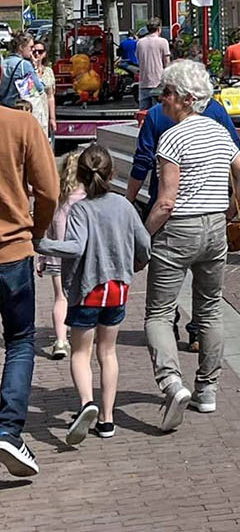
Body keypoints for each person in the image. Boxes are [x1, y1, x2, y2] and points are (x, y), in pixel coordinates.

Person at [143, 60, 240, 431]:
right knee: (209, 309)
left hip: (179, 229)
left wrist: (144, 235)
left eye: (168, 95)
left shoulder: (172, 137)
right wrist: (225, 210)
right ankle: (207, 389)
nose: (162, 102)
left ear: (186, 99)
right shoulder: (220, 132)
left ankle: (171, 381)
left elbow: (166, 200)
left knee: (159, 313)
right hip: (213, 228)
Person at [35, 145, 150, 445]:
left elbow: (76, 247)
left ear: (81, 176)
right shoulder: (125, 206)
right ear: (113, 173)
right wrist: (137, 261)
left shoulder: (81, 209)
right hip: (117, 289)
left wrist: (40, 245)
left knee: (81, 353)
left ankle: (87, 403)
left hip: (87, 289)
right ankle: (107, 419)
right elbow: (144, 243)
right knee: (108, 353)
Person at [0, 101, 58, 477]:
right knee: (20, 341)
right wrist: (36, 231)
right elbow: (49, 191)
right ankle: (8, 430)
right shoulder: (20, 124)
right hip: (12, 251)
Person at [39, 153, 83, 361]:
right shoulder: (86, 199)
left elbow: (47, 228)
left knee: (60, 298)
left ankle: (59, 340)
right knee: (80, 297)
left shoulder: (58, 199)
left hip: (56, 257)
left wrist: (42, 258)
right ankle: (78, 336)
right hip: (80, 258)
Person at [136, 19, 171, 111]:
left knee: (144, 112)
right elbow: (167, 62)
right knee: (158, 111)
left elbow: (139, 60)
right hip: (158, 82)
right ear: (159, 29)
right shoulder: (163, 42)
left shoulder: (140, 43)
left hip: (144, 82)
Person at [1, 33, 39, 109]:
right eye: (31, 47)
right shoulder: (24, 65)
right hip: (16, 107)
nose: (33, 50)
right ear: (21, 47)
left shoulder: (3, 63)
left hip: (2, 107)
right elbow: (39, 88)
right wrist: (35, 68)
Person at [27, 40, 55, 140]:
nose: (37, 54)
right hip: (30, 112)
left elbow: (50, 96)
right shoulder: (26, 69)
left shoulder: (48, 71)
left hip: (44, 113)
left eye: (40, 51)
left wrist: (52, 118)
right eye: (34, 51)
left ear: (45, 53)